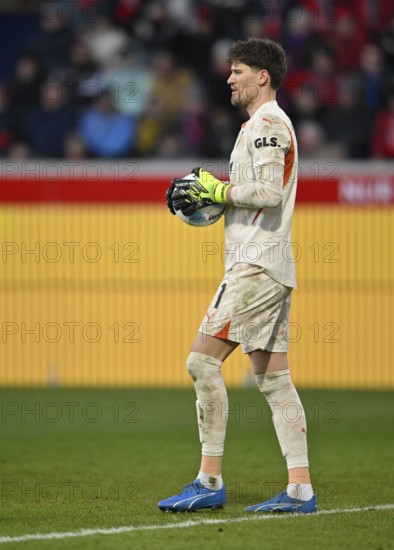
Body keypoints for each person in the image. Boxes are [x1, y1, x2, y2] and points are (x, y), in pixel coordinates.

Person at [159, 38, 316, 514]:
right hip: (269, 263)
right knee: (273, 379)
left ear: (262, 77)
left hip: (256, 265)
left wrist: (219, 191)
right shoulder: (259, 125)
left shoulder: (268, 123)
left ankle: (209, 480)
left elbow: (267, 192)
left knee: (201, 362)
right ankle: (300, 490)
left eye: (239, 70)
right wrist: (216, 198)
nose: (229, 77)